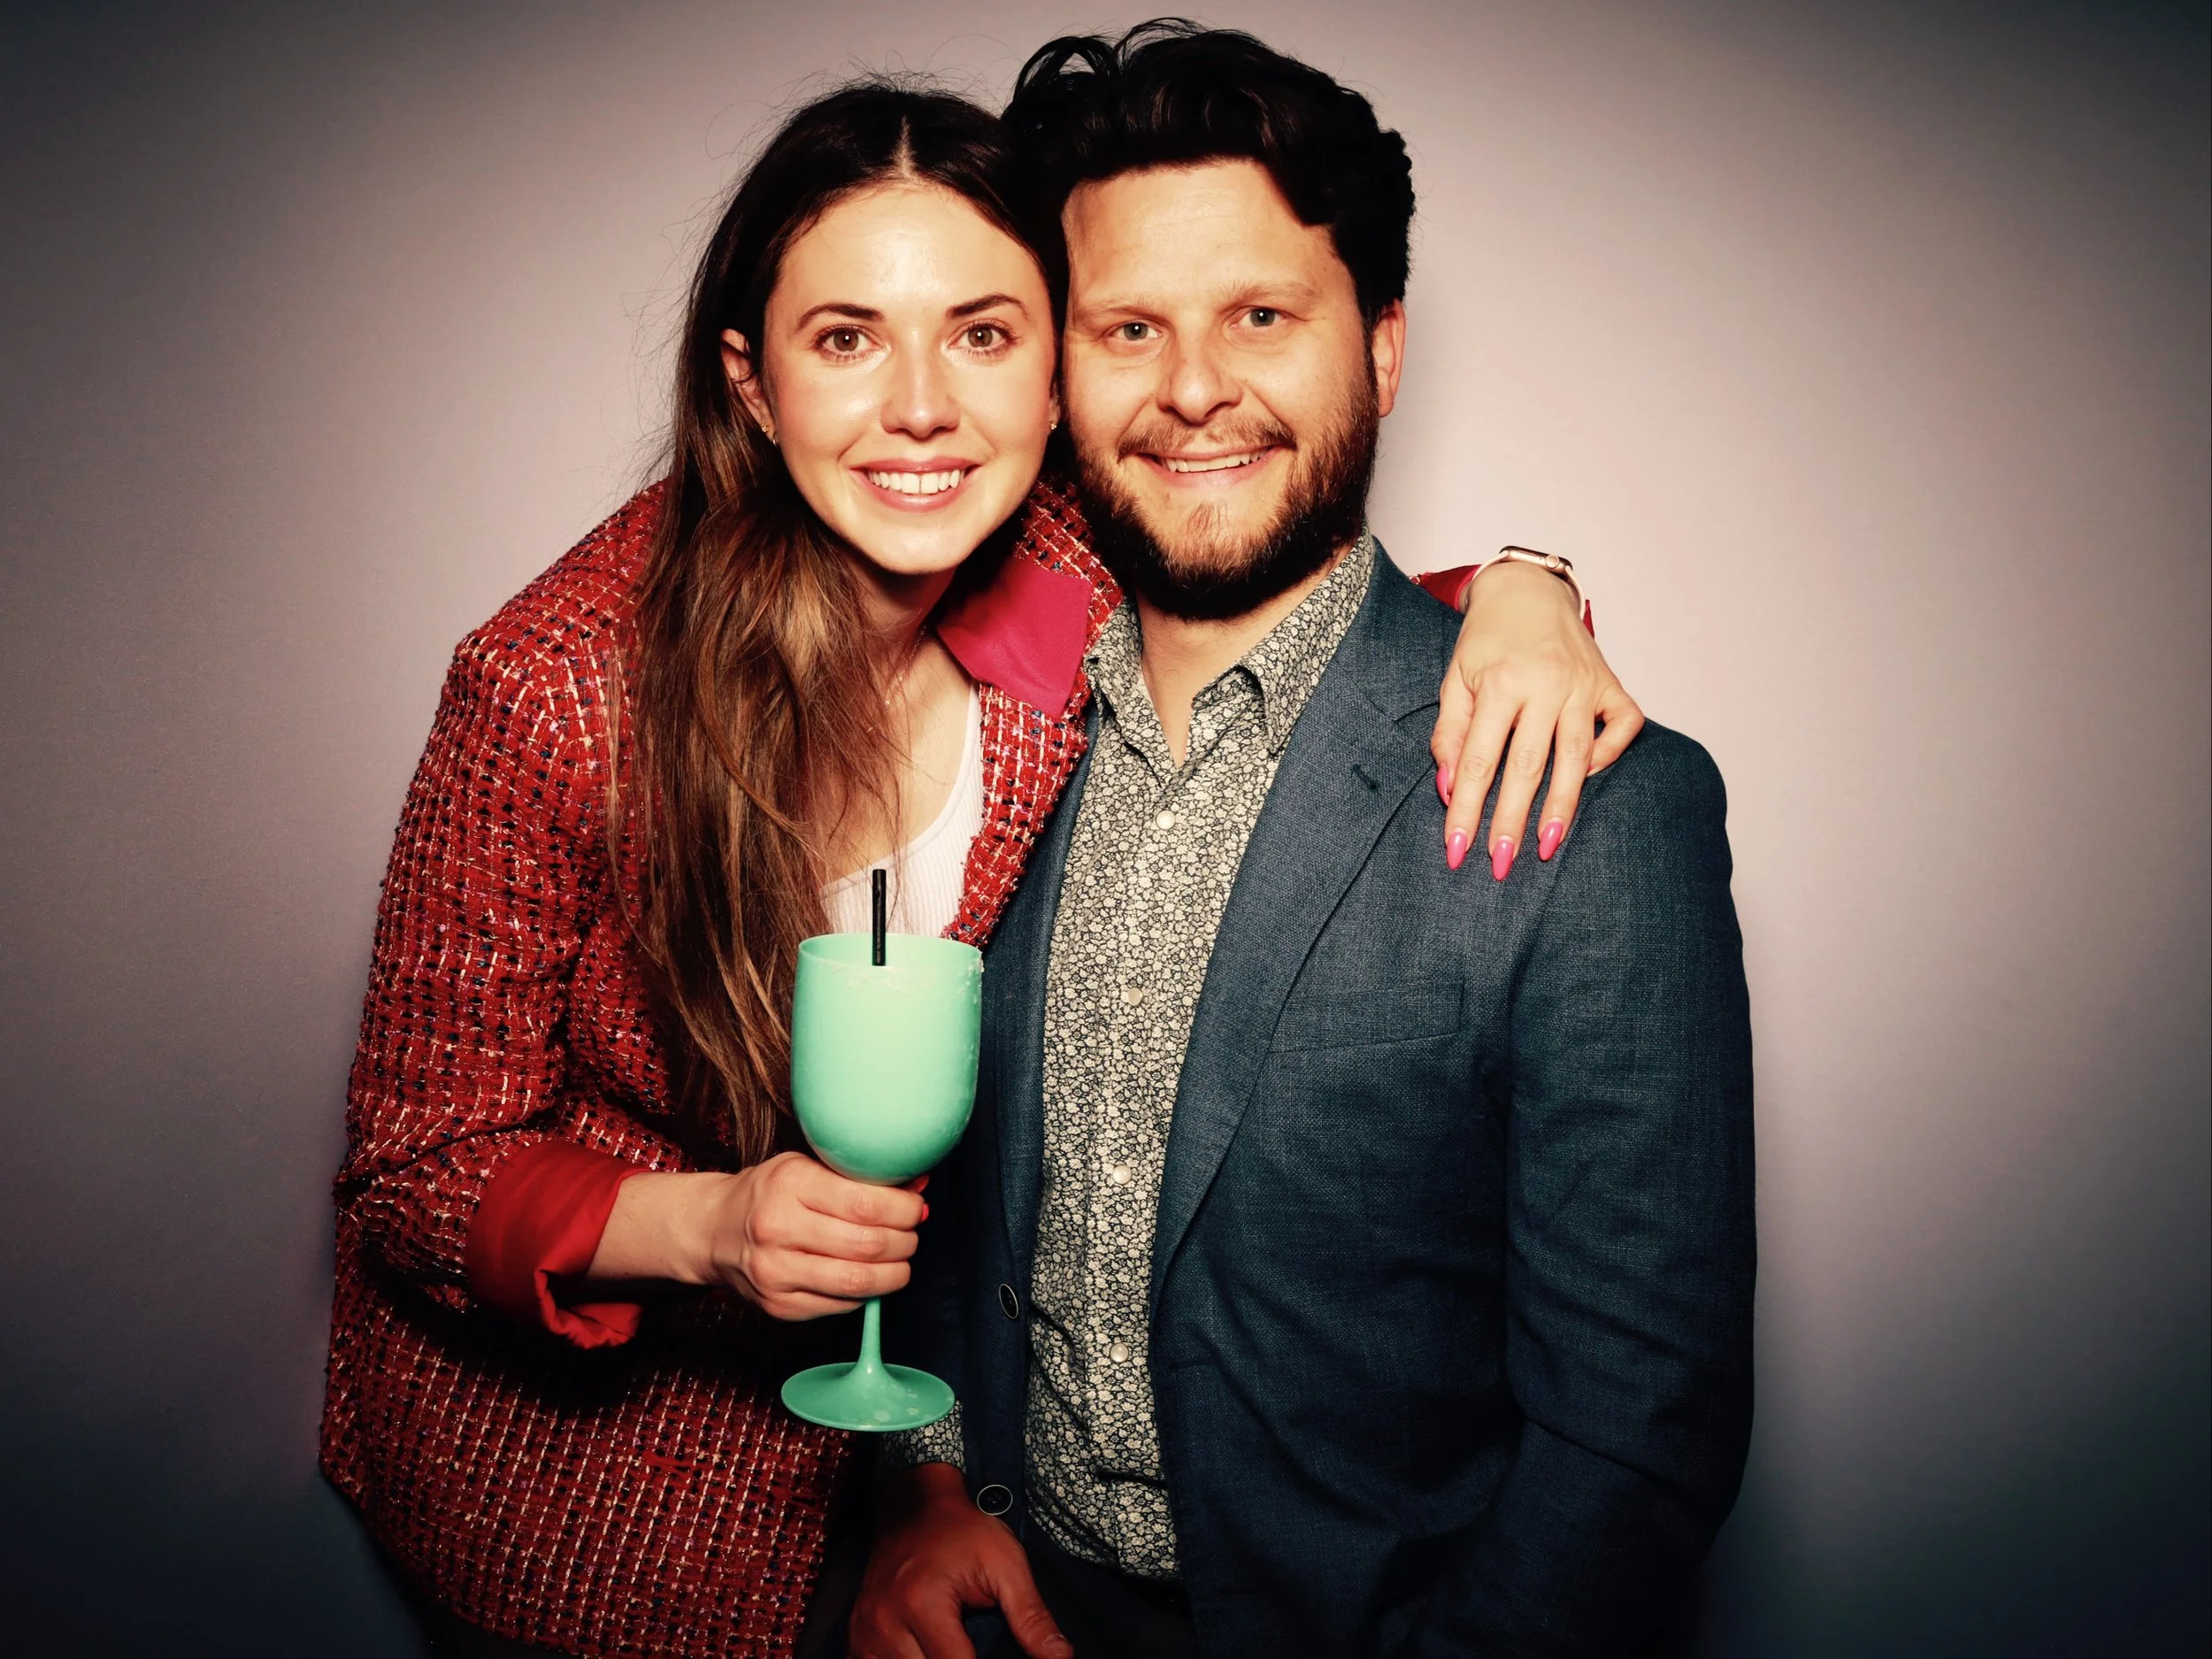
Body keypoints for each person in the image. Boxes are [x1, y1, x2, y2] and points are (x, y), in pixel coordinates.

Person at [321, 73, 1644, 1659]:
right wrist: (710, 1226)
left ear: (1057, 367)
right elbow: (415, 1158)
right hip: (605, 1491)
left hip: (954, 1463)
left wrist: (1526, 585)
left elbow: (1306, 616)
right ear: (748, 382)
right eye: (845, 339)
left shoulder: (1073, 570)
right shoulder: (552, 689)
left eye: (984, 332)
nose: (923, 408)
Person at [853, 25, 1755, 1659]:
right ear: (1062, 375)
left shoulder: (1596, 805)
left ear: (1384, 349)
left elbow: (1634, 1444)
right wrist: (921, 1496)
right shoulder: (983, 737)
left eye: (1260, 316)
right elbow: (931, 1205)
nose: (1194, 387)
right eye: (1130, 327)